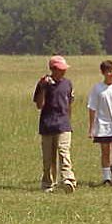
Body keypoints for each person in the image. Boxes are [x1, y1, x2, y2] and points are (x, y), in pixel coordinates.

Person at [33, 55, 76, 193]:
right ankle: (48, 182)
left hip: (63, 124)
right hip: (47, 124)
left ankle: (68, 179)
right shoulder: (43, 84)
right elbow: (40, 105)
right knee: (48, 157)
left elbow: (69, 103)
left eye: (64, 69)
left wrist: (68, 121)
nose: (63, 72)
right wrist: (43, 88)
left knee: (64, 151)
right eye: (60, 69)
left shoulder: (68, 84)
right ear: (53, 69)